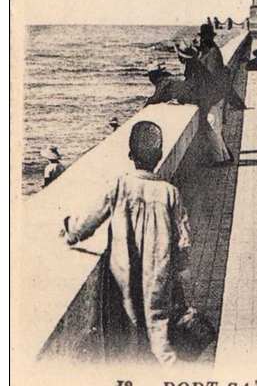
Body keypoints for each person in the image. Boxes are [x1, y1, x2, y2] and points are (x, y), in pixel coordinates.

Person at [61, 121, 192, 365]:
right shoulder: (170, 192)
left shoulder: (120, 185)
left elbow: (90, 220)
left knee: (128, 337)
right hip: (159, 276)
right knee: (159, 334)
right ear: (160, 155)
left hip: (123, 277)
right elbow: (183, 240)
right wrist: (181, 276)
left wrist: (71, 231)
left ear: (130, 155)